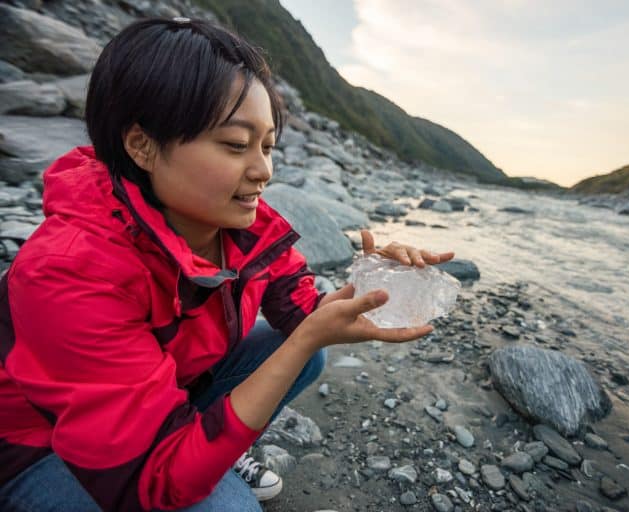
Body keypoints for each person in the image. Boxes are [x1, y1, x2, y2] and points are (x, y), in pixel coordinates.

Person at [0, 16, 454, 512]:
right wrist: (304, 340)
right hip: (36, 445)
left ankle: (203, 441)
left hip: (161, 391)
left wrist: (370, 286)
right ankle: (194, 446)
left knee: (304, 351)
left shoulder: (241, 227)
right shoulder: (68, 271)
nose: (262, 171)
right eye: (237, 145)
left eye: (266, 146)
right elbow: (150, 486)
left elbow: (302, 311)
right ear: (142, 145)